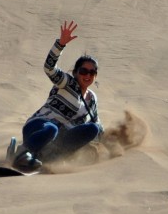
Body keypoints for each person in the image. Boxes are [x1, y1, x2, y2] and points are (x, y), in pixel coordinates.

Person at [10, 20, 102, 170]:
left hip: (58, 140)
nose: (87, 75)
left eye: (92, 72)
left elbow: (97, 124)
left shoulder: (92, 99)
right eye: (83, 71)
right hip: (39, 127)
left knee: (93, 128)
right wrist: (60, 44)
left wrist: (113, 144)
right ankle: (21, 153)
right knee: (52, 129)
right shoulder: (67, 83)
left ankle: (49, 158)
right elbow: (49, 68)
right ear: (76, 72)